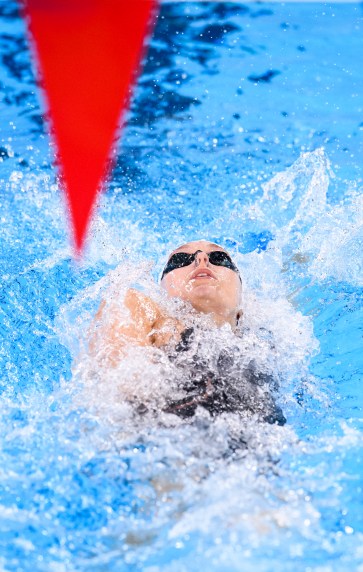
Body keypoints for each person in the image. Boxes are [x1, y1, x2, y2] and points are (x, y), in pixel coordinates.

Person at [89, 239, 285, 425]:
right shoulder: (139, 308)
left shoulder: (265, 337)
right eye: (180, 260)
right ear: (161, 294)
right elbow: (120, 388)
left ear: (242, 302)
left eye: (219, 257)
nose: (202, 259)